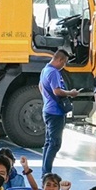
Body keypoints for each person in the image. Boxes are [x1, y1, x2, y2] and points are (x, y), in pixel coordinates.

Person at [38, 49, 75, 178]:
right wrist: (71, 93)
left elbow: (41, 87)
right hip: (55, 112)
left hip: (47, 109)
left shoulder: (44, 70)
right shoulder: (53, 72)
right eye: (64, 63)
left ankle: (45, 169)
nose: (63, 66)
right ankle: (46, 172)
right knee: (55, 143)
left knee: (48, 142)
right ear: (59, 60)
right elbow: (57, 91)